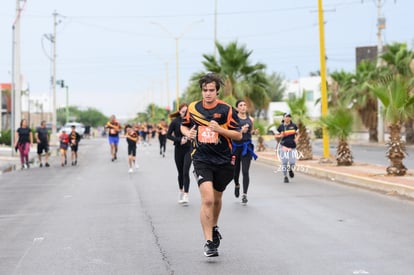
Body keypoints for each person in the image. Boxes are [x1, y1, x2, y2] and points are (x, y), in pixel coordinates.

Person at [181, 73, 242, 257]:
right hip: (201, 158)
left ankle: (214, 227)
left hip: (223, 160)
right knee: (207, 199)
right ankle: (209, 242)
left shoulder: (226, 110)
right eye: (205, 90)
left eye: (211, 90)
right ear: (202, 90)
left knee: (216, 199)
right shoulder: (193, 108)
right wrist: (188, 133)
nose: (208, 94)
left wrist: (220, 130)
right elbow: (184, 125)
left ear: (217, 91)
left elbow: (238, 135)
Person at [232, 99, 258, 204]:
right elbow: (232, 132)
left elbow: (251, 131)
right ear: (237, 108)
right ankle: (237, 184)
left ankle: (245, 194)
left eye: (244, 105)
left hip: (247, 147)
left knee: (245, 171)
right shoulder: (234, 119)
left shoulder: (251, 119)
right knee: (235, 171)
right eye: (240, 105)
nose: (243, 107)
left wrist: (254, 132)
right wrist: (240, 131)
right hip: (236, 147)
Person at [167, 103, 192, 204]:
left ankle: (186, 194)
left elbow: (195, 132)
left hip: (189, 149)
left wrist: (189, 137)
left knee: (186, 171)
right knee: (180, 172)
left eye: (186, 112)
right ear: (179, 111)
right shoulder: (175, 122)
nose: (184, 113)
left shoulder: (191, 121)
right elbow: (168, 135)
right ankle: (181, 190)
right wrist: (179, 140)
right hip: (178, 149)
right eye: (183, 111)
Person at [274, 112, 300, 183]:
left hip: (292, 147)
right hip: (283, 147)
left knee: (292, 162)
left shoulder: (294, 125)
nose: (288, 118)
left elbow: (298, 134)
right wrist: (280, 136)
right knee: (284, 162)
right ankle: (285, 176)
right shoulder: (281, 127)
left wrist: (297, 138)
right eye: (286, 116)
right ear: (283, 118)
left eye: (289, 116)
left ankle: (290, 170)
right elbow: (276, 136)